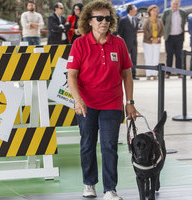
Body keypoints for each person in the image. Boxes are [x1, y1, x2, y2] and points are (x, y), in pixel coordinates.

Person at [67, 1, 138, 200]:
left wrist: (130, 102)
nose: (104, 22)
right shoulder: (79, 43)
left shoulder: (119, 43)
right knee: (88, 145)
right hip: (87, 105)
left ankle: (110, 189)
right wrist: (78, 100)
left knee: (109, 146)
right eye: (99, 18)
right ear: (89, 21)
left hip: (112, 104)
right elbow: (71, 75)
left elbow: (127, 75)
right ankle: (89, 184)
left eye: (107, 18)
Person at [161, 0, 186, 78]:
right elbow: (162, 22)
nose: (175, 5)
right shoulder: (166, 12)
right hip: (169, 37)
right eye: (174, 4)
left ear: (179, 4)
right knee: (169, 55)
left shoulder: (182, 12)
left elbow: (184, 22)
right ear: (171, 4)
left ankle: (179, 72)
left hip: (179, 36)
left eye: (177, 4)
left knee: (179, 55)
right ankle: (168, 72)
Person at [118, 4, 139, 80]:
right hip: (126, 43)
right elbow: (120, 32)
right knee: (124, 60)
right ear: (130, 10)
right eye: (135, 8)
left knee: (134, 59)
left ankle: (134, 74)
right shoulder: (123, 20)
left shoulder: (136, 19)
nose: (136, 10)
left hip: (134, 43)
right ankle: (123, 75)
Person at [142, 5, 164, 80]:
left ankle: (155, 74)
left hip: (157, 42)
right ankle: (148, 74)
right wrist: (151, 38)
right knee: (148, 58)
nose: (155, 12)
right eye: (153, 11)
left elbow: (162, 30)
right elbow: (145, 30)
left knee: (155, 58)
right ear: (150, 11)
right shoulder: (147, 21)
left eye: (156, 11)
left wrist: (158, 38)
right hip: (148, 42)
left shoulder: (159, 20)